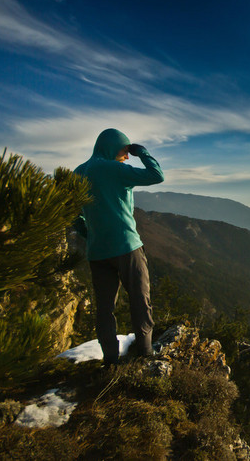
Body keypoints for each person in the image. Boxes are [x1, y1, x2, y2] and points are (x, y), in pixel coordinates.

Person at [73, 128, 164, 364]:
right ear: (114, 147)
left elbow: (72, 215)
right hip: (127, 247)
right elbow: (156, 175)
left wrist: (90, 234)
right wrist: (142, 152)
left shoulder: (78, 173)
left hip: (97, 252)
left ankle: (110, 360)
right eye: (125, 151)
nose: (126, 157)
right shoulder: (114, 169)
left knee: (104, 309)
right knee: (140, 301)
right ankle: (145, 354)